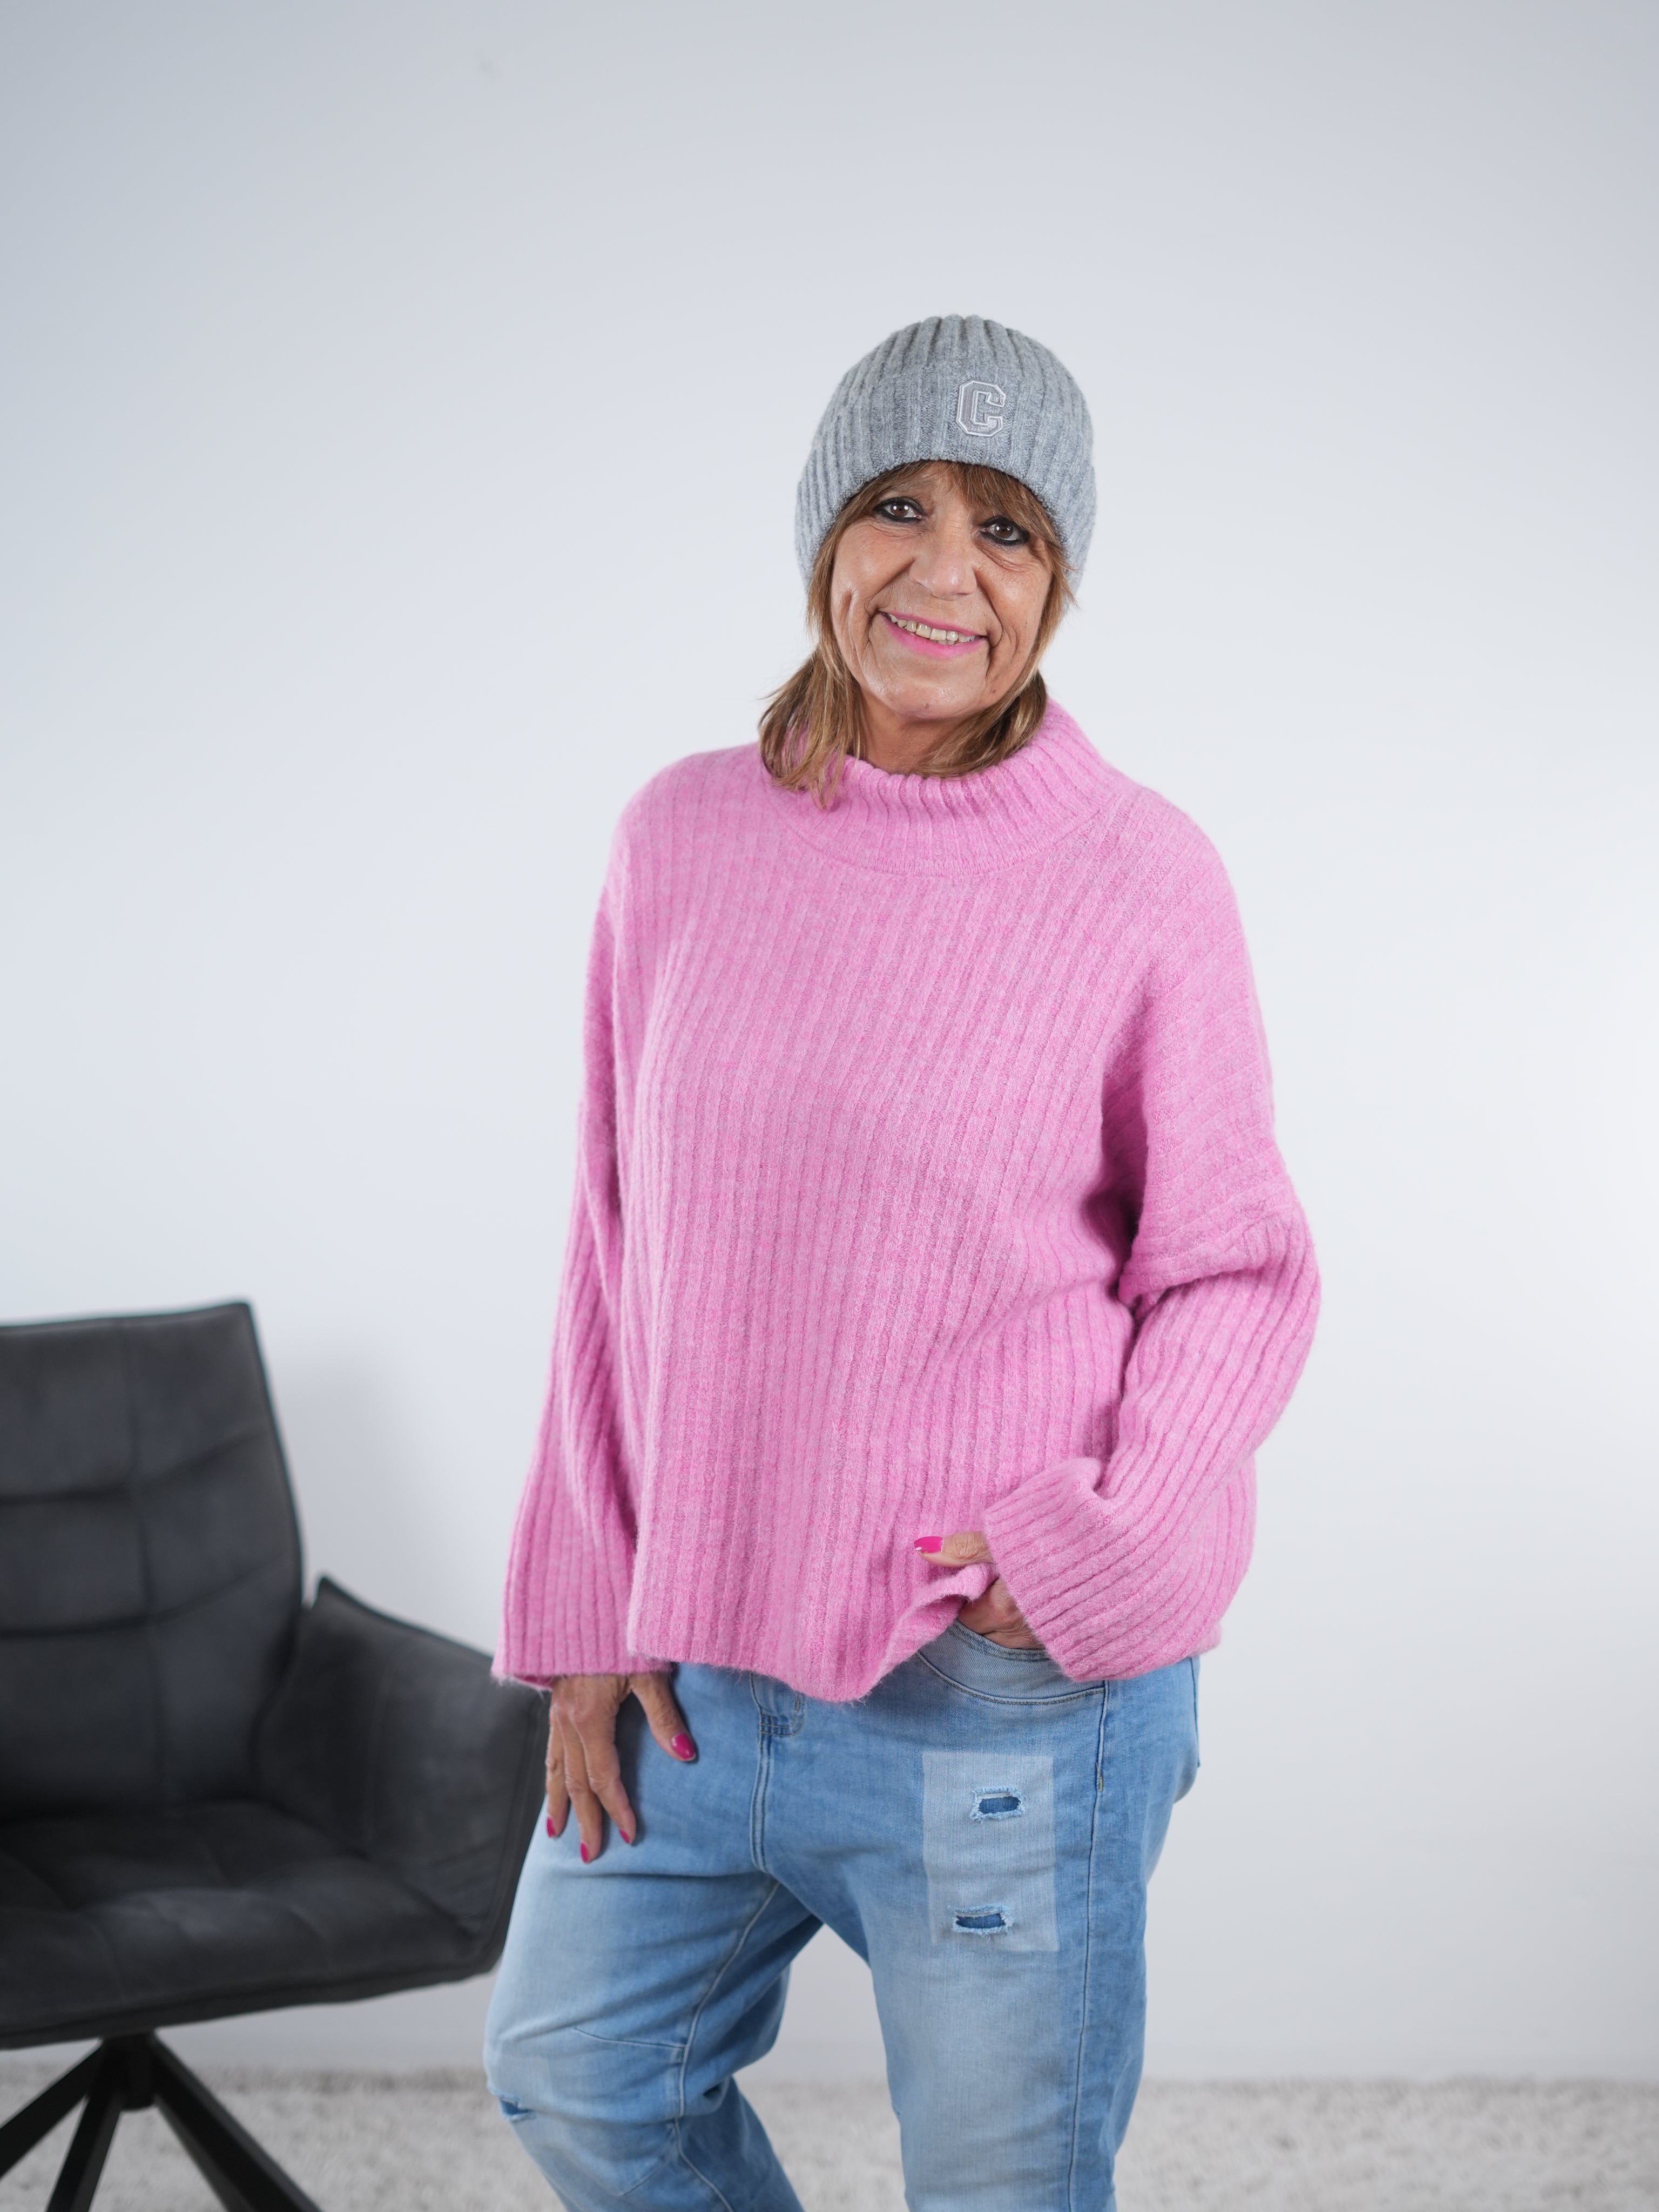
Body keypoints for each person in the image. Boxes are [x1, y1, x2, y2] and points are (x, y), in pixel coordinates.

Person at [484, 315, 1319, 2211]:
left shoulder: (1137, 872)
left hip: (992, 1694)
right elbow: (616, 1241)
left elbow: (1239, 1269)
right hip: (700, 1675)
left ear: (1059, 580)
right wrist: (590, 1609)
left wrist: (1092, 1537)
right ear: (823, 536)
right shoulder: (680, 836)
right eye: (897, 507)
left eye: (1006, 529)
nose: (945, 571)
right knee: (576, 2078)